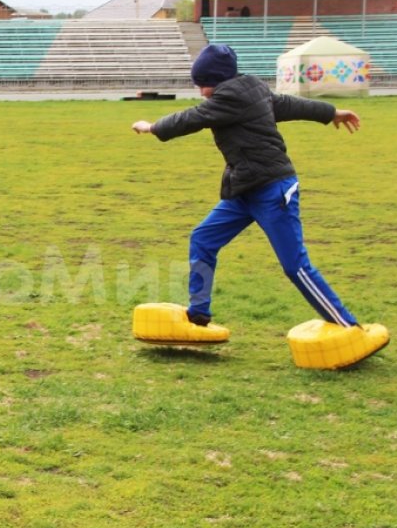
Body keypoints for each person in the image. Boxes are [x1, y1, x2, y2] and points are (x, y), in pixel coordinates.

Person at [131, 43, 364, 331]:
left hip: (273, 190)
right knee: (203, 239)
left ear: (218, 80)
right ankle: (199, 312)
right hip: (244, 189)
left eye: (204, 84)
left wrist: (153, 127)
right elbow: (291, 105)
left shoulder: (228, 97)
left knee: (295, 266)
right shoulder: (252, 90)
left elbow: (193, 117)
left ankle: (348, 326)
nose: (202, 91)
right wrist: (330, 113)